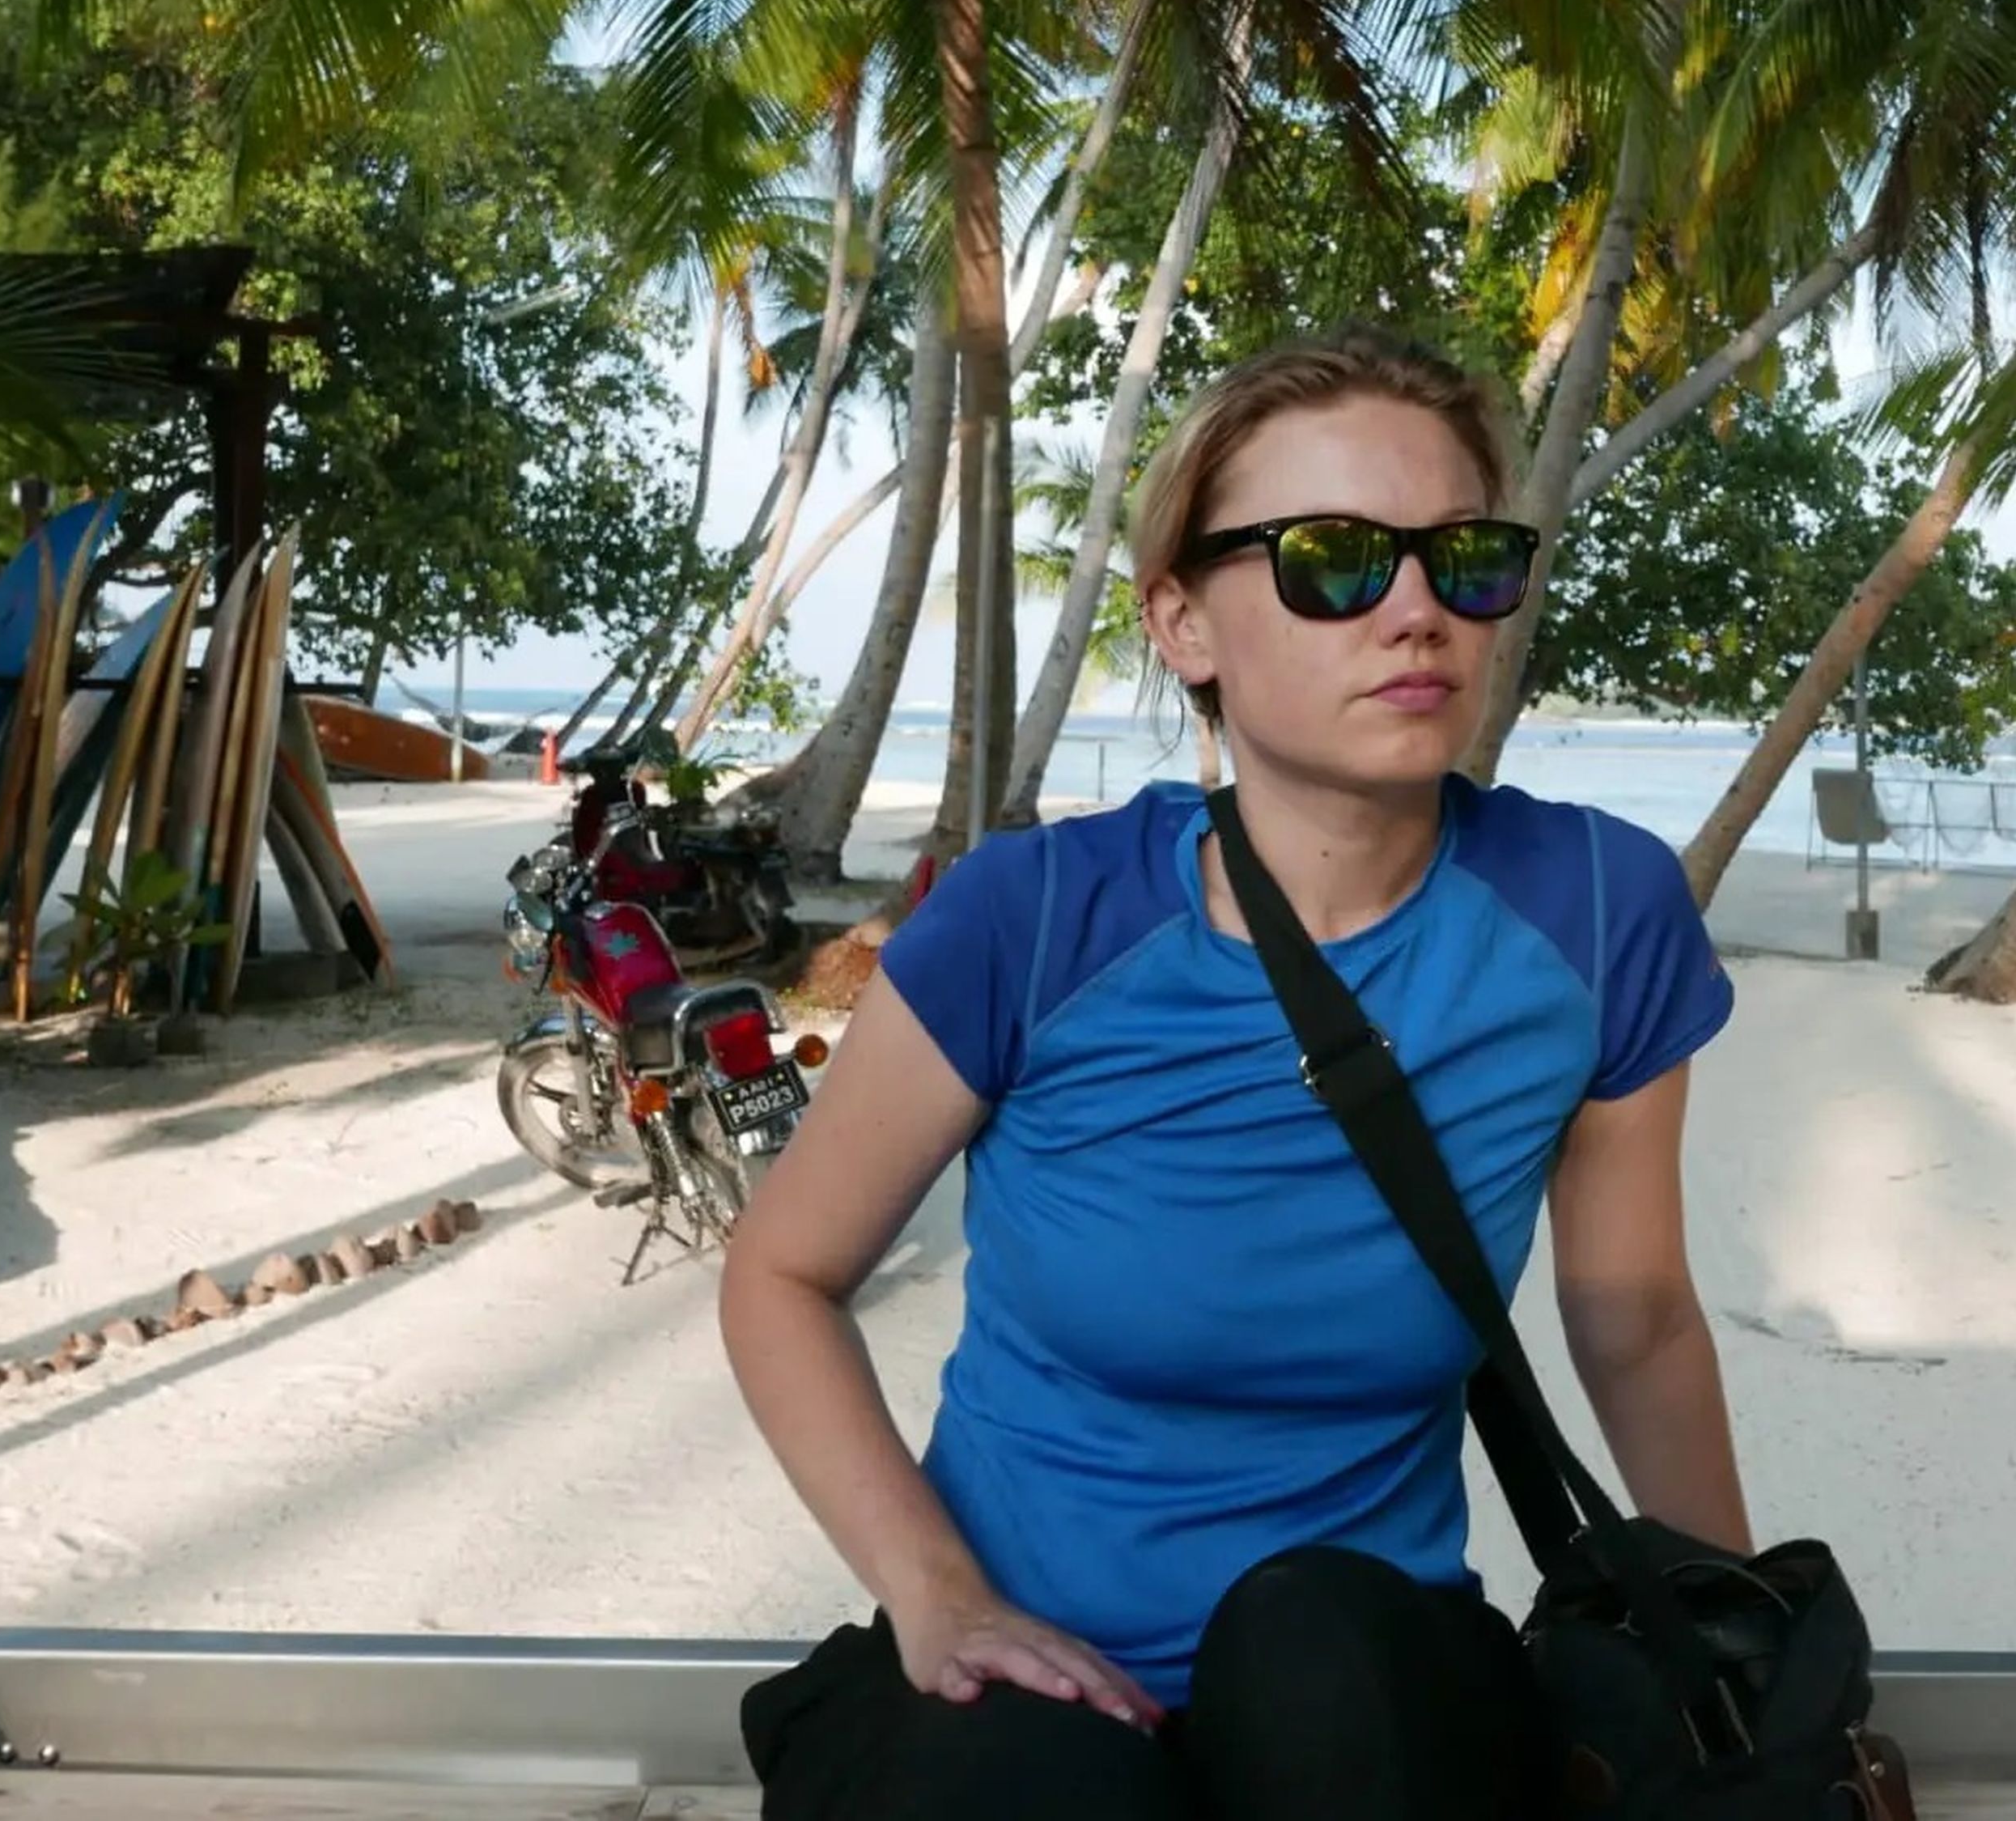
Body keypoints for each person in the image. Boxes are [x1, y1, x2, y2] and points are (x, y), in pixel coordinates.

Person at [719, 329, 1750, 1820]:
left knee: (1315, 1649)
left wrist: (1726, 1652)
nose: (1415, 612)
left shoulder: (1596, 912)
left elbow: (1635, 1317)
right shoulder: (1036, 919)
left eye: (1463, 558)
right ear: (1184, 623)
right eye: (1334, 559)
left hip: (1370, 1686)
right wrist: (935, 1592)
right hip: (1016, 1675)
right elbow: (782, 1275)